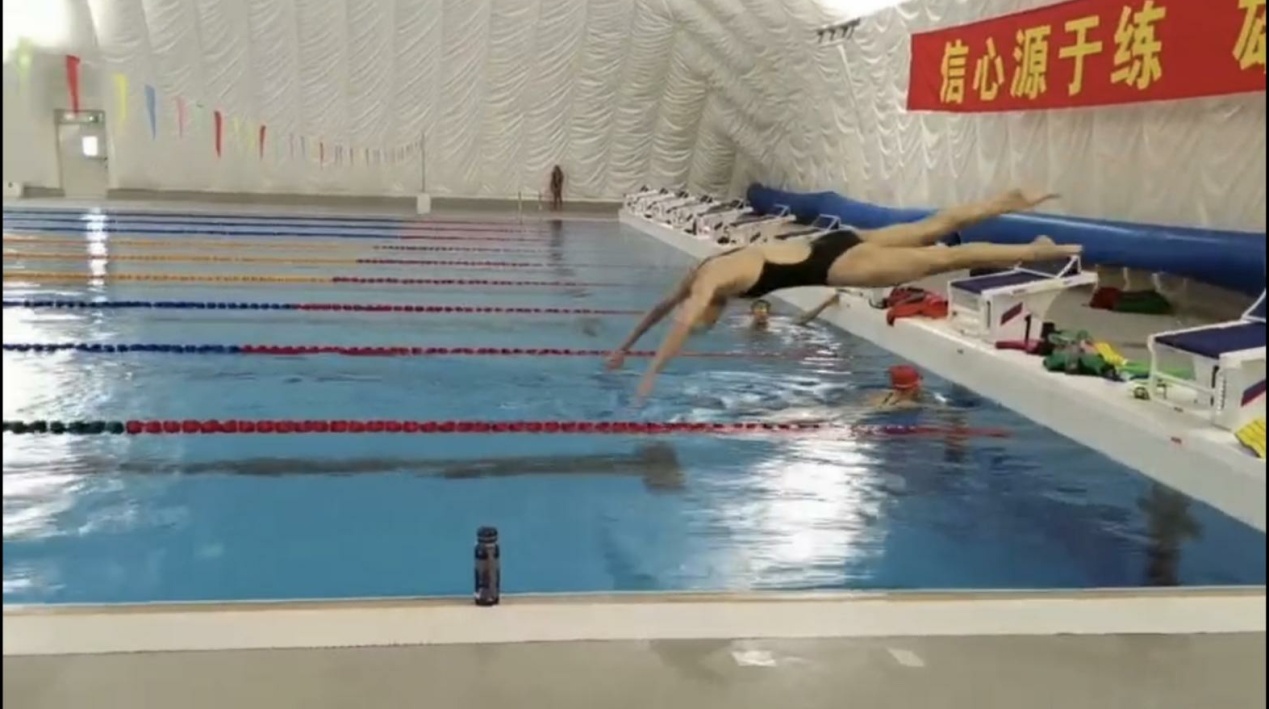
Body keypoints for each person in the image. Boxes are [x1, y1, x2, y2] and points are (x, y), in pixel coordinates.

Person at [606, 188, 1080, 400]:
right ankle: (1005, 201)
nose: (703, 321)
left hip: (839, 266)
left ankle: (1039, 251)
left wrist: (651, 374)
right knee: (930, 227)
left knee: (944, 258)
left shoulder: (711, 284)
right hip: (833, 241)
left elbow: (679, 322)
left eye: (704, 320)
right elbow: (662, 310)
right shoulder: (703, 271)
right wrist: (626, 347)